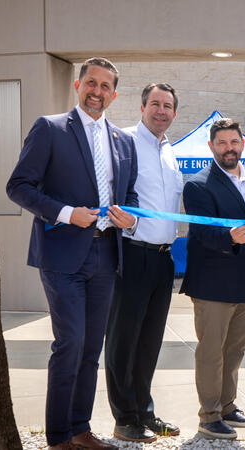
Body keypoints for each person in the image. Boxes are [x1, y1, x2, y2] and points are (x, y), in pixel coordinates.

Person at [6, 57, 137, 450]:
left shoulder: (124, 141)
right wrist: (66, 214)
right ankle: (59, 437)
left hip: (106, 255)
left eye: (105, 86)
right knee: (70, 343)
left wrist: (128, 219)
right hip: (61, 255)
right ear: (78, 86)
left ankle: (80, 429)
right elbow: (19, 186)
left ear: (114, 94)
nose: (97, 92)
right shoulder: (50, 128)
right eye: (91, 83)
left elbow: (129, 197)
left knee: (91, 346)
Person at [180, 118, 245, 440]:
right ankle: (208, 416)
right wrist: (229, 238)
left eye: (233, 142)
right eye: (221, 143)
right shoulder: (198, 184)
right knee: (211, 352)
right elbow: (202, 232)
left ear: (242, 144)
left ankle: (226, 407)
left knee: (235, 350)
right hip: (213, 284)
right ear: (211, 147)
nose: (228, 148)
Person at [103, 83, 182, 443]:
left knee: (149, 342)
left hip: (164, 260)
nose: (161, 111)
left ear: (174, 113)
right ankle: (124, 417)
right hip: (133, 256)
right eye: (155, 104)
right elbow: (113, 193)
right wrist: (128, 220)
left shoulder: (170, 152)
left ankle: (144, 410)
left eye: (167, 106)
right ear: (142, 107)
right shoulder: (125, 142)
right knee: (123, 340)